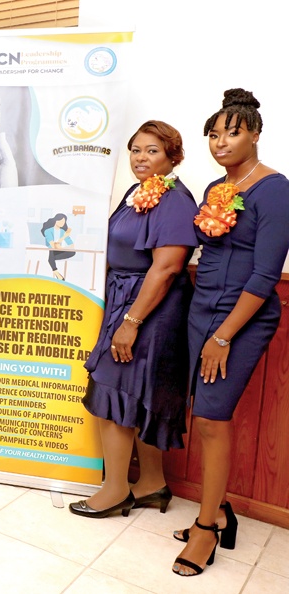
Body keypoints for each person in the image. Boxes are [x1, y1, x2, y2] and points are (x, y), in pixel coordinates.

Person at [173, 89, 289, 577]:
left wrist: (223, 336)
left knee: (213, 418)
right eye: (214, 135)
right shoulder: (216, 189)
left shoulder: (276, 189)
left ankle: (207, 527)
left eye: (232, 132)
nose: (220, 142)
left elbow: (265, 276)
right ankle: (219, 510)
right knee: (201, 414)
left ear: (255, 133)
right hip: (202, 308)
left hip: (241, 317)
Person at [69, 121, 198, 520]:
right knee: (137, 393)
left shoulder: (175, 199)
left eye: (152, 151)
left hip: (149, 308)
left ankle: (114, 489)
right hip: (125, 298)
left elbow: (167, 268)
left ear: (173, 156)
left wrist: (131, 321)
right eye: (136, 150)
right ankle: (153, 483)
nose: (141, 158)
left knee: (113, 390)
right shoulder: (135, 192)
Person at [41, 213, 75, 280]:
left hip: (59, 250)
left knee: (72, 252)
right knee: (51, 251)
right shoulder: (48, 231)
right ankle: (56, 272)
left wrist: (63, 246)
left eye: (64, 222)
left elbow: (72, 245)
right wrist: (62, 238)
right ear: (56, 220)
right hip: (50, 250)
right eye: (61, 221)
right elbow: (53, 245)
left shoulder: (62, 231)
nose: (62, 223)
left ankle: (51, 261)